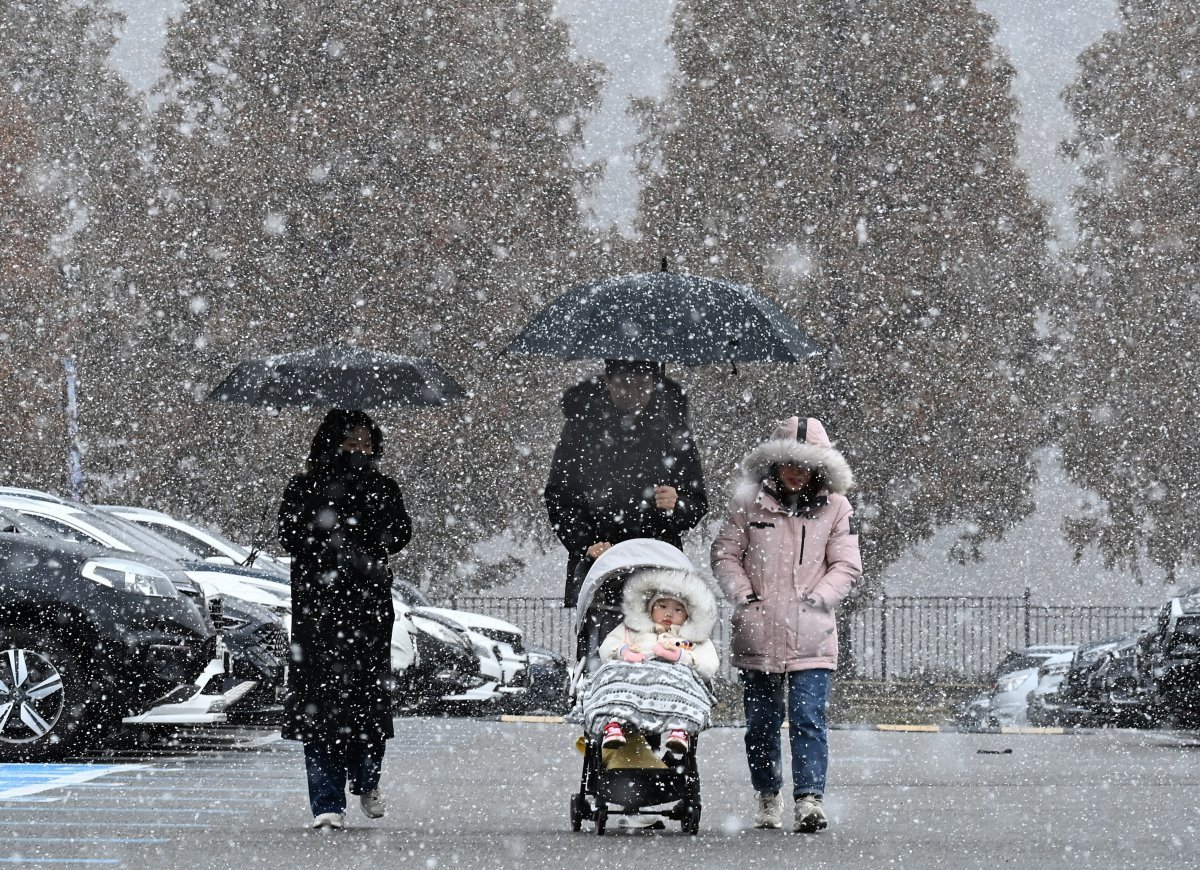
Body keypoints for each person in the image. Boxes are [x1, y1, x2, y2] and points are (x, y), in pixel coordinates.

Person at [710, 416, 861, 834]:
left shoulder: (836, 507)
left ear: (819, 468)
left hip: (812, 634)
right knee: (761, 723)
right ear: (773, 465)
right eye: (787, 463)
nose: (794, 472)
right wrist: (744, 595)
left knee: (809, 717)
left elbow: (846, 564)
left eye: (804, 464)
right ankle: (767, 793)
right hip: (758, 631)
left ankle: (810, 799)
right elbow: (725, 553)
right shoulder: (748, 503)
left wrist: (819, 599)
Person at [278, 409, 412, 830]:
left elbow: (401, 533)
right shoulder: (305, 486)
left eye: (365, 444)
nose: (358, 451)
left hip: (367, 613)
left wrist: (367, 532)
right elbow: (289, 535)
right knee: (319, 709)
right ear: (330, 444)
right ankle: (326, 805)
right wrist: (327, 534)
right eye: (350, 442)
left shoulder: (383, 488)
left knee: (367, 703)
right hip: (318, 615)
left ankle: (367, 778)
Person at [544, 359, 707, 608]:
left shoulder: (673, 431)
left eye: (643, 384)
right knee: (601, 643)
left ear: (655, 384)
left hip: (659, 571)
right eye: (624, 384)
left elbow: (696, 504)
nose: (633, 393)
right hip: (599, 571)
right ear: (608, 384)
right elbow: (560, 497)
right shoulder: (581, 430)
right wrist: (586, 543)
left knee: (662, 646)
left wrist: (677, 503)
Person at [577, 565, 718, 758]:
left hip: (669, 693)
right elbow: (607, 647)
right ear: (650, 608)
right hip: (633, 687)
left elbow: (709, 665)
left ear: (688, 615)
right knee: (612, 674)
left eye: (678, 609)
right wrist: (623, 651)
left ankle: (680, 728)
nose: (669, 614)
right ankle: (613, 724)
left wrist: (681, 657)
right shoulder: (633, 629)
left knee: (686, 679)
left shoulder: (691, 639)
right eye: (662, 606)